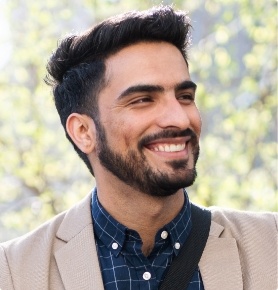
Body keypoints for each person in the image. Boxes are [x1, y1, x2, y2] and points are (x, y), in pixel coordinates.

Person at [0, 5, 277, 290]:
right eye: (143, 99)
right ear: (83, 131)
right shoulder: (13, 272)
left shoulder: (271, 245)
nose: (180, 118)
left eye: (184, 96)